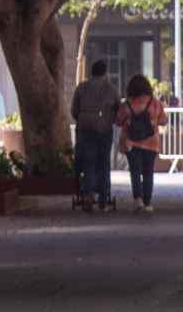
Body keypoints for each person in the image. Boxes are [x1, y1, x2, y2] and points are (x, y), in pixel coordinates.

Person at [70, 61, 120, 211]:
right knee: (104, 163)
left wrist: (83, 120)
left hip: (85, 131)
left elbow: (74, 110)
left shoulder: (82, 88)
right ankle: (104, 199)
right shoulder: (110, 88)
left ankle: (88, 194)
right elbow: (117, 107)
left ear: (91, 73)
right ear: (105, 73)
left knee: (88, 163)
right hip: (105, 130)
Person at [116, 74, 168, 212]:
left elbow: (118, 121)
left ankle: (137, 199)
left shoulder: (126, 104)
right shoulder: (154, 103)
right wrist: (152, 121)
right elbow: (164, 120)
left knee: (135, 171)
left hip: (131, 143)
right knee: (148, 171)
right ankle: (148, 202)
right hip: (151, 142)